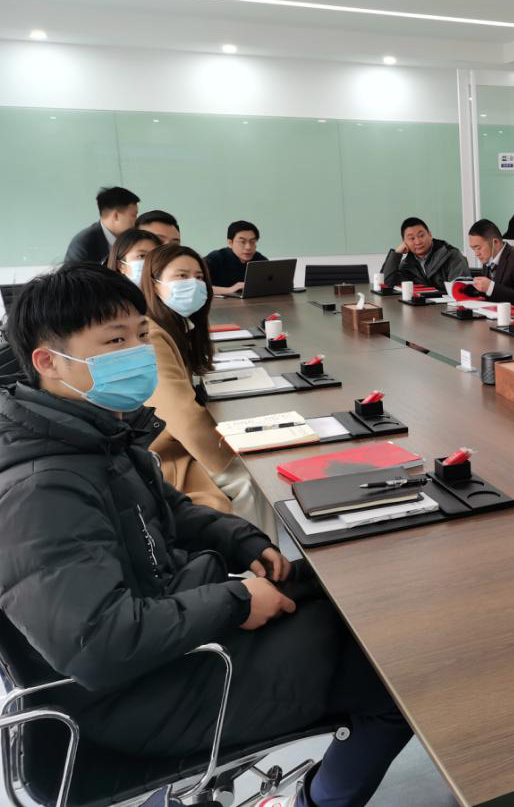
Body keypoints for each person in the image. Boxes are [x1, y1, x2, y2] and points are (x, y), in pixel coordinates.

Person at [0, 263, 413, 807]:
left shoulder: (93, 435)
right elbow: (98, 645)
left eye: (141, 336)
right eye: (116, 341)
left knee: (354, 597)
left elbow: (170, 511)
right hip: (141, 694)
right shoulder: (42, 489)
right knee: (397, 673)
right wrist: (236, 600)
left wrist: (243, 541)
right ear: (49, 362)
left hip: (173, 644)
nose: (139, 352)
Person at [141, 243, 277, 532]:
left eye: (199, 277)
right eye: (181, 276)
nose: (193, 284)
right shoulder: (151, 335)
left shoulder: (173, 325)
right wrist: (229, 464)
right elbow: (183, 417)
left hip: (175, 440)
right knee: (251, 480)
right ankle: (256, 557)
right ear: (154, 283)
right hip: (165, 451)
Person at [380, 217, 468, 291]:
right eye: (412, 238)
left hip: (447, 305)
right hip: (419, 306)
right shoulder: (406, 264)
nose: (418, 242)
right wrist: (396, 254)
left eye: (421, 236)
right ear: (404, 242)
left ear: (430, 235)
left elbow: (461, 290)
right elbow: (386, 285)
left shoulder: (451, 255)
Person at [466, 219, 514, 306]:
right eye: (473, 249)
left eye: (479, 248)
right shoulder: (488, 258)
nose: (476, 254)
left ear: (495, 242)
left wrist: (491, 288)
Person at [64, 186, 140, 265]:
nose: (136, 220)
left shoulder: (130, 238)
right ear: (116, 216)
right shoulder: (83, 244)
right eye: (134, 215)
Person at [205, 221, 268, 296]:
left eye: (252, 242)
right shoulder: (215, 258)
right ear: (230, 243)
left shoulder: (260, 260)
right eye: (242, 242)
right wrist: (230, 290)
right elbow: (199, 287)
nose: (248, 247)